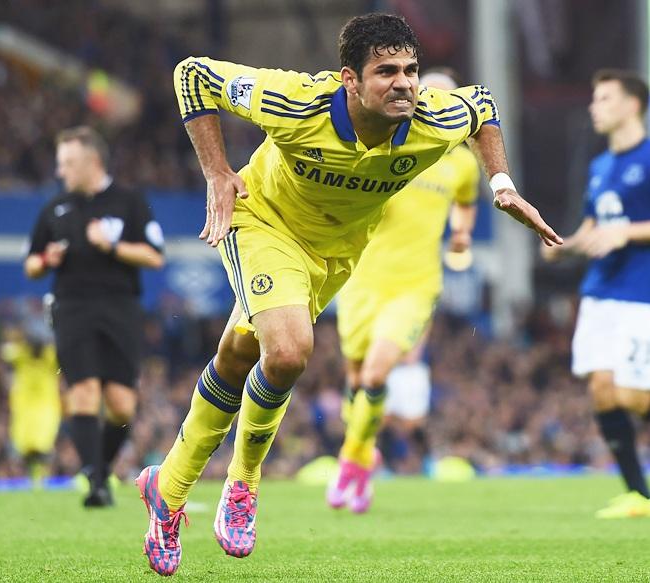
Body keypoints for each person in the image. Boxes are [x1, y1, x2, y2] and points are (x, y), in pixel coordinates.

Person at [136, 13, 560, 575]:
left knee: (239, 356)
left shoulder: (434, 119)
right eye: (386, 72)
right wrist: (217, 172)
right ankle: (242, 484)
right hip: (264, 223)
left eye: (411, 70)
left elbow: (482, 104)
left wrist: (501, 184)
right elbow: (193, 75)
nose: (404, 83)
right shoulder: (296, 102)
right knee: (288, 352)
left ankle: (165, 489)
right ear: (349, 80)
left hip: (336, 253)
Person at [328, 67, 480, 513]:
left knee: (376, 373)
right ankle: (361, 453)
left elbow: (467, 204)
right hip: (361, 280)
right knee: (356, 381)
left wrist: (462, 233)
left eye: (448, 100)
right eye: (428, 95)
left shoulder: (462, 163)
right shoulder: (385, 145)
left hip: (415, 285)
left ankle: (352, 462)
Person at [25, 126, 165, 507]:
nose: (61, 171)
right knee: (83, 391)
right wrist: (44, 261)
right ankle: (96, 485)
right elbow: (31, 263)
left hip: (120, 308)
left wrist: (113, 245)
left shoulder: (130, 202)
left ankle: (98, 468)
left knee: (122, 405)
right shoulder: (56, 208)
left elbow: (155, 255)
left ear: (92, 161)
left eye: (68, 162)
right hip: (72, 307)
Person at [542, 69, 650, 519]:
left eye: (604, 98)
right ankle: (637, 495)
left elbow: (618, 228)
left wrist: (625, 232)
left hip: (640, 293)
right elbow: (592, 226)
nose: (594, 106)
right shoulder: (600, 166)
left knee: (632, 396)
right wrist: (559, 243)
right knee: (602, 391)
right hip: (599, 290)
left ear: (632, 104)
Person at [1, 324, 61, 485]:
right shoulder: (22, 354)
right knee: (26, 448)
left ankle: (41, 479)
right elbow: (5, 351)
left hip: (45, 408)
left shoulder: (50, 357)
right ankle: (33, 480)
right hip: (25, 409)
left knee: (43, 446)